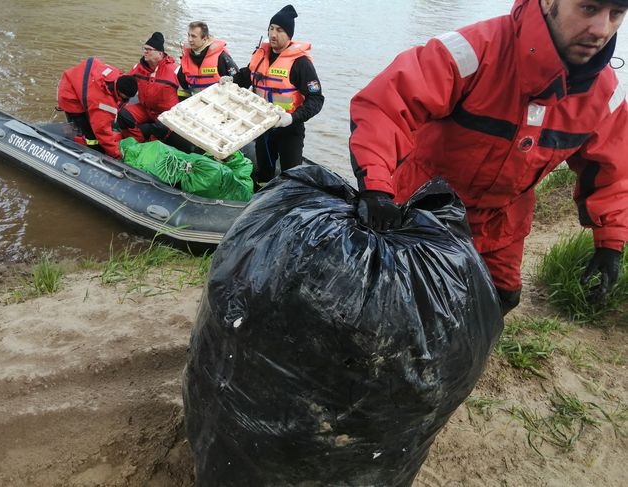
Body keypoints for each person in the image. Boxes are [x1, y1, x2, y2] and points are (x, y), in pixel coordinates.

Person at [349, 0, 628, 315]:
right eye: (589, 9)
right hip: (423, 208)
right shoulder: (472, 51)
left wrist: (610, 244)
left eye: (616, 14)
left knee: (500, 300)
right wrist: (375, 185)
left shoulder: (606, 92)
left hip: (503, 222)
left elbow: (614, 171)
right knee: (402, 299)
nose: (602, 30)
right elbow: (385, 105)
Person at [227, 4, 324, 185]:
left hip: (289, 128)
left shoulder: (300, 63)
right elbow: (248, 75)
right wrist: (230, 81)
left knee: (292, 177)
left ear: (289, 35)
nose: (273, 34)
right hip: (262, 126)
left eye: (279, 30)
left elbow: (317, 99)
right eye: (271, 28)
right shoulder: (260, 54)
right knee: (264, 174)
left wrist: (292, 117)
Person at [57, 57, 137, 159]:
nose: (125, 100)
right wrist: (116, 155)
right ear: (120, 92)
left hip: (74, 80)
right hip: (70, 97)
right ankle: (80, 144)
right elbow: (102, 132)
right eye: (124, 98)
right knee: (91, 135)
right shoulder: (102, 102)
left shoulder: (115, 74)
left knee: (93, 123)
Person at [117, 32, 180, 143]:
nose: (145, 51)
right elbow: (124, 82)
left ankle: (153, 141)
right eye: (144, 48)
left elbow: (187, 90)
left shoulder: (174, 71)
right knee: (123, 114)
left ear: (160, 53)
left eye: (149, 49)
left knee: (161, 128)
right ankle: (137, 141)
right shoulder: (139, 68)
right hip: (145, 109)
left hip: (165, 113)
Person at [177, 21, 239, 100]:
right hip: (195, 103)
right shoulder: (186, 56)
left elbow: (236, 81)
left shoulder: (221, 57)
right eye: (188, 35)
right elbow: (182, 84)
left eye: (193, 36)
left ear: (204, 38)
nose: (189, 39)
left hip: (216, 103)